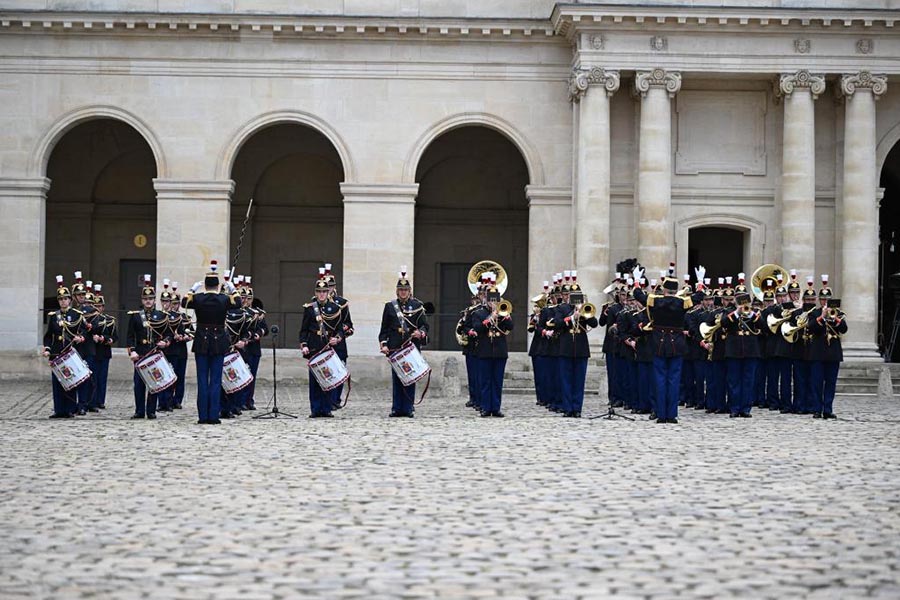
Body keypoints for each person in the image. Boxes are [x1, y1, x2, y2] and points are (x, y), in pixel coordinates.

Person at [182, 260, 241, 424]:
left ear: (205, 285)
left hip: (201, 340)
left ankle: (203, 416)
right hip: (218, 341)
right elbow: (238, 303)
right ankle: (213, 416)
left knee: (202, 380)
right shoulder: (224, 299)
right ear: (217, 286)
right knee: (215, 380)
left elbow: (184, 303)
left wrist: (192, 290)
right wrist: (232, 289)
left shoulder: (199, 298)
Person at [378, 268, 429, 418]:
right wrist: (384, 343)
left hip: (411, 347)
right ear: (397, 291)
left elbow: (425, 326)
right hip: (395, 347)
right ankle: (396, 408)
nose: (403, 292)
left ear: (410, 290)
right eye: (401, 290)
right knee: (397, 378)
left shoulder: (417, 306)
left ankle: (408, 408)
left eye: (406, 290)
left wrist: (420, 333)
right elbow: (384, 328)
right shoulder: (390, 306)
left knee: (410, 378)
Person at [645, 272, 692, 424]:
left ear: (664, 290)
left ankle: (661, 414)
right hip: (676, 344)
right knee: (674, 380)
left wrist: (638, 285)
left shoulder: (655, 301)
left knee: (659, 380)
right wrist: (694, 287)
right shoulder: (682, 303)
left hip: (659, 343)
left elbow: (639, 295)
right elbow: (698, 297)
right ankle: (671, 414)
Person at [126, 275, 172, 420]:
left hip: (154, 352)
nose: (148, 301)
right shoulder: (135, 316)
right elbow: (130, 336)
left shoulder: (161, 316)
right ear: (142, 300)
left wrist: (165, 342)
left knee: (154, 382)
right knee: (138, 384)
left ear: (154, 300)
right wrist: (132, 351)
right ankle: (139, 411)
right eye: (145, 299)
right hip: (139, 353)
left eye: (151, 298)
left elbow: (168, 333)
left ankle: (151, 411)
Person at [42, 276, 86, 418]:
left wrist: (81, 337)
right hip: (56, 352)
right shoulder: (54, 316)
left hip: (70, 351)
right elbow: (49, 335)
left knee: (70, 380)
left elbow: (86, 329)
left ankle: (70, 409)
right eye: (60, 299)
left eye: (65, 299)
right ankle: (59, 410)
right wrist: (47, 348)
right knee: (58, 381)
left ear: (70, 300)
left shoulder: (77, 315)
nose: (63, 301)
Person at [300, 277, 343, 418]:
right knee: (315, 380)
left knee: (328, 378)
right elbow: (304, 330)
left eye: (324, 291)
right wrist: (304, 345)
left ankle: (326, 408)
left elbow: (340, 329)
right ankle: (315, 409)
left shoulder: (335, 308)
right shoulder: (310, 309)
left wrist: (337, 338)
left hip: (327, 347)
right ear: (316, 293)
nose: (322, 294)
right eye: (319, 292)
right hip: (314, 346)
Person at [555, 277, 598, 418]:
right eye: (568, 295)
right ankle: (568, 408)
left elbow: (594, 323)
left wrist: (583, 311)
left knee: (579, 380)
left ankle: (577, 407)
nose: (570, 298)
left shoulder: (585, 308)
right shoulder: (562, 308)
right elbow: (557, 324)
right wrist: (573, 317)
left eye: (574, 295)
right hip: (566, 347)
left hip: (581, 348)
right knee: (566, 380)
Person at [470, 285, 513, 417]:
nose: (493, 302)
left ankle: (496, 407)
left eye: (495, 299)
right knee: (485, 381)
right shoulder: (479, 313)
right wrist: (490, 319)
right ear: (486, 299)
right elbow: (477, 328)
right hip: (484, 350)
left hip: (500, 350)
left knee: (497, 381)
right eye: (490, 299)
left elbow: (511, 326)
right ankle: (485, 407)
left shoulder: (503, 312)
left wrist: (505, 317)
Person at [807, 276, 847, 419]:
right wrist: (822, 317)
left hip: (833, 353)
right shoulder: (814, 313)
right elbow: (811, 328)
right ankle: (817, 409)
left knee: (831, 382)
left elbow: (844, 328)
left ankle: (828, 409)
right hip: (818, 352)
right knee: (817, 382)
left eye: (827, 299)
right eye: (823, 299)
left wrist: (835, 319)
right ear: (819, 300)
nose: (825, 302)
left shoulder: (838, 313)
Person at [722, 291, 763, 418]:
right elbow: (723, 323)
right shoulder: (728, 312)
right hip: (734, 350)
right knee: (734, 380)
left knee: (748, 380)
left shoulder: (755, 313)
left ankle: (746, 408)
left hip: (750, 350)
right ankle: (734, 408)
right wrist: (736, 313)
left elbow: (763, 326)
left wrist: (751, 314)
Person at [70, 271, 99, 414]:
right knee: (73, 376)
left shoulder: (91, 310)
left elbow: (97, 325)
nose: (82, 297)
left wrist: (88, 329)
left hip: (87, 348)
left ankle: (83, 404)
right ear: (74, 297)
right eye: (79, 295)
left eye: (83, 295)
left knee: (86, 378)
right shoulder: (71, 311)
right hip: (73, 349)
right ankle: (72, 404)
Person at [325, 265, 352, 411]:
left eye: (330, 287)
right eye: (326, 287)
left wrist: (340, 335)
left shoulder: (342, 303)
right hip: (323, 345)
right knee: (326, 373)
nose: (328, 290)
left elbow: (349, 325)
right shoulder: (316, 303)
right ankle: (326, 400)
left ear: (334, 287)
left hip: (339, 344)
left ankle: (335, 399)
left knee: (338, 373)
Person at [90, 284, 117, 410]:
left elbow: (114, 336)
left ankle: (100, 400)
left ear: (103, 307)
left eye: (99, 306)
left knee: (102, 378)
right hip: (92, 351)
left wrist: (104, 339)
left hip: (104, 351)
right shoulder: (88, 320)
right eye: (95, 306)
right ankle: (92, 401)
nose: (97, 308)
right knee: (92, 377)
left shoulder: (109, 320)